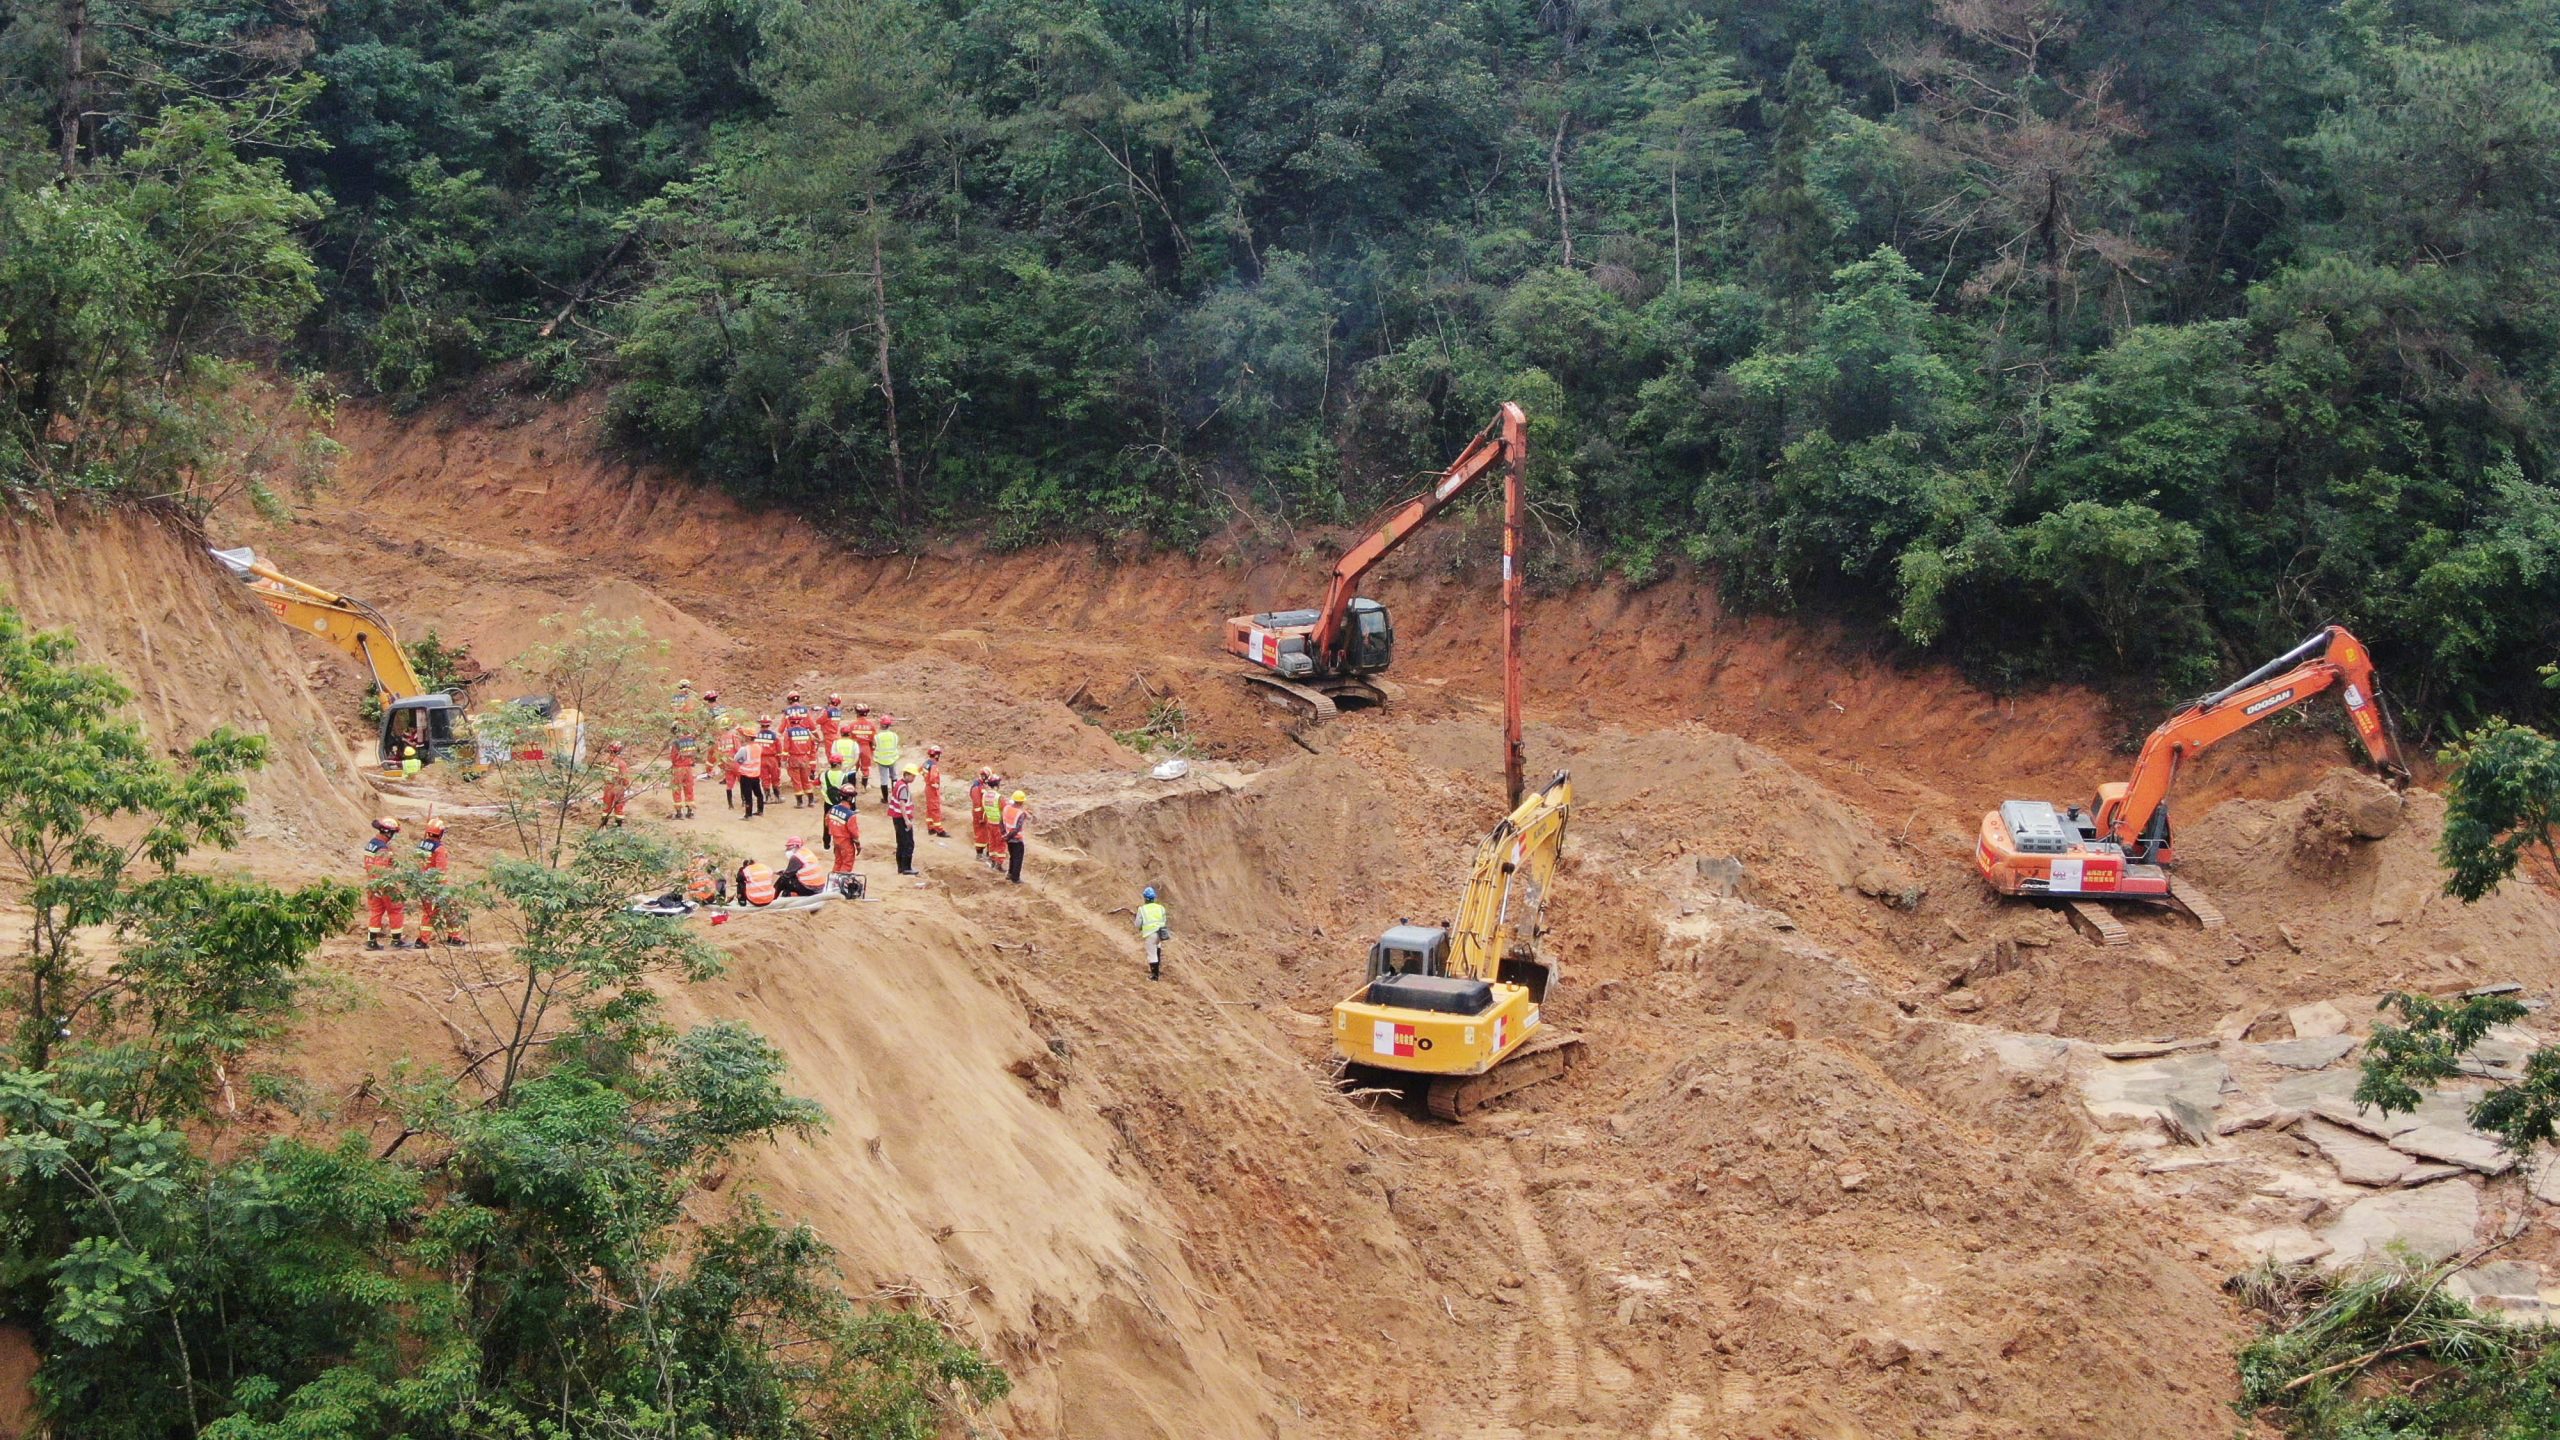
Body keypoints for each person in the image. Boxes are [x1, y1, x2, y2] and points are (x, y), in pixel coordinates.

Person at [414, 818, 464, 948]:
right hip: (435, 886)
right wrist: (442, 889)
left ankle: (451, 937)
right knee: (447, 910)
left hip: (422, 883)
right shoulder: (439, 849)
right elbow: (440, 871)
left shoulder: (421, 846)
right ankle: (425, 940)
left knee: (431, 911)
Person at [363, 817, 406, 949]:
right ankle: (396, 940)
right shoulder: (382, 849)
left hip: (372, 884)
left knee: (376, 911)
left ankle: (371, 942)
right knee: (396, 909)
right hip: (384, 885)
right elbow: (382, 870)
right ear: (388, 832)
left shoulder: (372, 844)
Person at [783, 710, 822, 808]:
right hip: (805, 758)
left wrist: (784, 760)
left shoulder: (788, 732)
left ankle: (800, 802)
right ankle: (811, 801)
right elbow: (812, 744)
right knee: (806, 779)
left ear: (790, 721)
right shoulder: (806, 731)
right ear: (800, 720)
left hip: (794, 758)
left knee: (796, 780)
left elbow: (786, 748)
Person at [889, 762, 919, 875]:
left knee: (901, 843)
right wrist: (907, 820)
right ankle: (906, 867)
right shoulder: (903, 787)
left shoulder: (899, 784)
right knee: (908, 843)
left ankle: (901, 867)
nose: (914, 778)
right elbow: (902, 804)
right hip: (901, 819)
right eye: (912, 776)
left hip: (897, 818)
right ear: (907, 775)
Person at [825, 794, 861, 884]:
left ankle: (831, 884)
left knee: (838, 862)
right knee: (847, 863)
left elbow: (826, 821)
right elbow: (854, 833)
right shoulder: (850, 815)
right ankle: (839, 885)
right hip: (846, 842)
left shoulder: (833, 809)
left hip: (835, 840)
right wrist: (858, 846)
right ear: (850, 798)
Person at [668, 723, 701, 819]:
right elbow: (695, 754)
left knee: (677, 789)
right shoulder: (691, 740)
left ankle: (679, 813)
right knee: (689, 789)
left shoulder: (676, 742)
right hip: (689, 768)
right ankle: (690, 812)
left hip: (678, 768)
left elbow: (673, 757)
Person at [734, 728, 768, 818]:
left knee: (747, 795)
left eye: (745, 736)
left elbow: (736, 759)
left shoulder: (744, 749)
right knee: (758, 794)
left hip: (746, 775)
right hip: (756, 774)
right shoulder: (758, 747)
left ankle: (748, 814)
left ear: (748, 738)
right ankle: (760, 810)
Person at [1137, 886, 1169, 981]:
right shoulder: (1161, 908)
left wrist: (1141, 928)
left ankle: (1154, 976)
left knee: (1152, 954)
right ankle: (1158, 969)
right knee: (1158, 947)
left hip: (1150, 933)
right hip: (1160, 933)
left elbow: (1138, 924)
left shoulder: (1142, 909)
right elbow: (1164, 920)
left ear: (1145, 898)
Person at [754, 715, 784, 811]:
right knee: (775, 777)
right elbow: (779, 750)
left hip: (761, 759)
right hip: (772, 759)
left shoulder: (756, 735)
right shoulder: (774, 736)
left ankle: (767, 797)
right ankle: (777, 797)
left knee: (764, 778)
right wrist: (779, 762)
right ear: (769, 724)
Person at [599, 740, 632, 827]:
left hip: (607, 787)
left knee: (606, 807)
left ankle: (603, 826)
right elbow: (625, 778)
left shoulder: (605, 761)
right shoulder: (621, 764)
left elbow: (601, 774)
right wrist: (626, 785)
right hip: (618, 787)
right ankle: (618, 827)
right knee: (619, 807)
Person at [980, 772, 1008, 872]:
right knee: (1000, 844)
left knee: (992, 842)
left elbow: (984, 808)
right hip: (998, 824)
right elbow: (1005, 810)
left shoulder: (985, 795)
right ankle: (999, 864)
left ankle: (992, 861)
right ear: (997, 785)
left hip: (989, 822)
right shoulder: (999, 797)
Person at [844, 702, 879, 776]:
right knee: (865, 768)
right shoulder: (871, 725)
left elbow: (849, 739)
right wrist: (871, 750)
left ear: (857, 712)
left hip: (854, 747)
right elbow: (874, 742)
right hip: (866, 748)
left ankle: (852, 784)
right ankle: (865, 785)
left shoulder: (852, 725)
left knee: (853, 767)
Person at [1001, 789, 1029, 884]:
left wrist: (1004, 835)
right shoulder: (1020, 813)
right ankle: (1015, 878)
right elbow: (1017, 828)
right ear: (1021, 802)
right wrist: (1008, 836)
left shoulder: (1006, 808)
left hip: (1008, 837)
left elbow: (1001, 821)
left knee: (1012, 856)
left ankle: (1010, 873)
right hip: (1016, 839)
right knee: (1018, 858)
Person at [872, 719, 902, 805]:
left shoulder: (877, 737)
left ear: (881, 725)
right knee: (894, 777)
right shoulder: (894, 736)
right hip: (892, 759)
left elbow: (874, 745)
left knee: (884, 780)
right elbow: (895, 745)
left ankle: (885, 799)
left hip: (882, 760)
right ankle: (895, 797)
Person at [921, 744, 948, 837]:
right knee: (935, 809)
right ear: (936, 755)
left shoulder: (926, 763)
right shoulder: (933, 765)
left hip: (927, 787)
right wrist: (935, 784)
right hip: (932, 789)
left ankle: (931, 827)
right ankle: (939, 830)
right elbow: (933, 777)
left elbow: (920, 770)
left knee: (929, 809)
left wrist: (926, 779)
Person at [968, 768, 994, 863]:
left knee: (987, 834)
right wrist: (980, 817)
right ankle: (979, 854)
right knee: (980, 834)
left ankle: (988, 853)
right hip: (979, 815)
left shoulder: (983, 785)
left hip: (985, 814)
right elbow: (977, 803)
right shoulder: (976, 787)